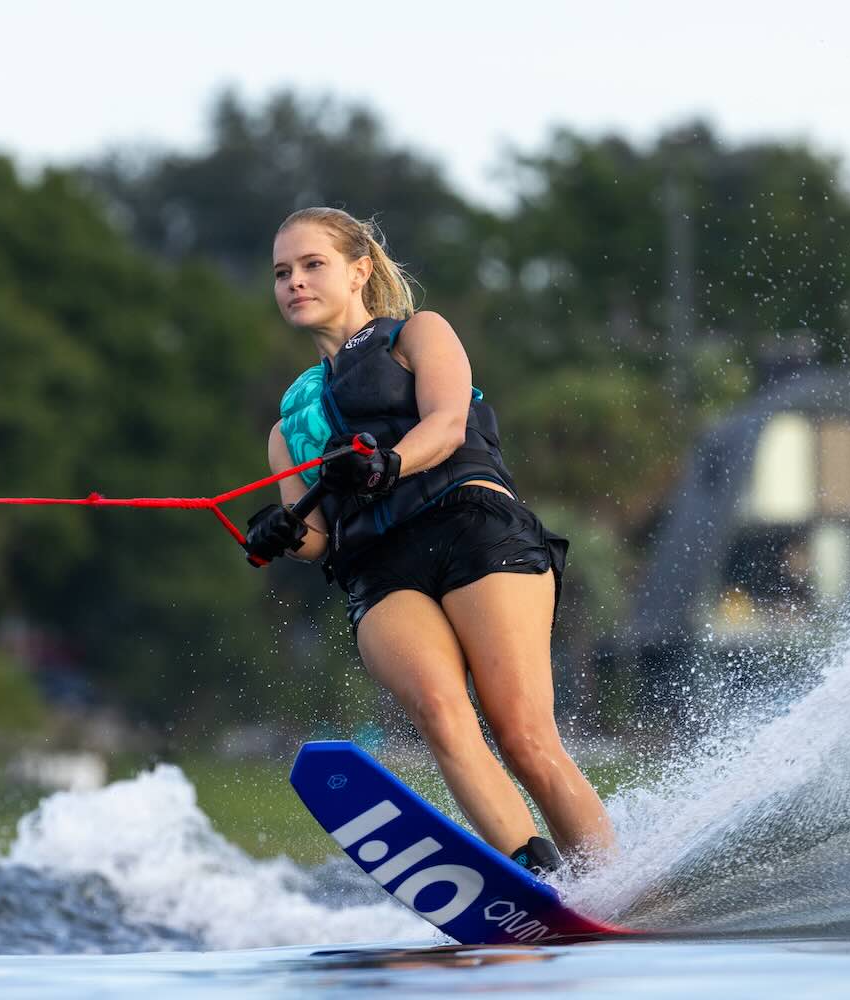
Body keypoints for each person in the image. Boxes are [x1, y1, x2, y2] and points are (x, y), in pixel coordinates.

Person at [243, 207, 616, 873]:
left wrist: (386, 462)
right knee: (444, 718)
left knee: (523, 734)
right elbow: (318, 543)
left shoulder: (417, 335)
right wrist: (280, 533)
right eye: (282, 273)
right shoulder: (286, 431)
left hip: (470, 529)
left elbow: (446, 424)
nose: (294, 282)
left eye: (311, 265)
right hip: (379, 571)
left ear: (359, 272)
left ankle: (616, 885)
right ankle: (531, 877)